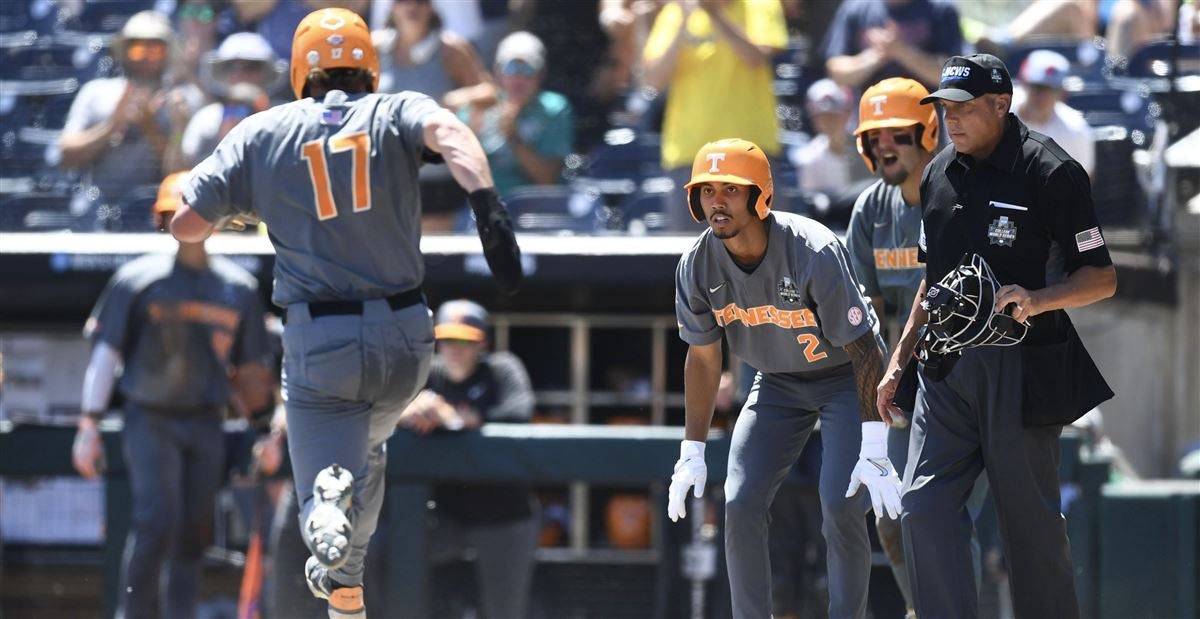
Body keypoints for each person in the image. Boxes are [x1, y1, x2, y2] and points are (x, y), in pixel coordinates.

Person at [168, 8, 523, 618]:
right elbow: (454, 134)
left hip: (321, 340)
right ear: (369, 66)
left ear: (302, 69)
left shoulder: (263, 129)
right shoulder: (397, 108)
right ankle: (346, 597)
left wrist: (254, 205)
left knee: (324, 484)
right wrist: (487, 208)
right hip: (407, 339)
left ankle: (323, 507)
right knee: (372, 451)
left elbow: (184, 224)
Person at [877, 53, 1117, 618]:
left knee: (1029, 532)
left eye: (963, 108)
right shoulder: (937, 172)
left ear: (1001, 105)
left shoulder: (1050, 171)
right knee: (921, 508)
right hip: (946, 369)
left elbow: (1101, 278)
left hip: (1022, 365)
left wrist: (1039, 299)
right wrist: (897, 363)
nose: (951, 120)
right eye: (944, 109)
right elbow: (930, 282)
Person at [666, 137, 901, 619]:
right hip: (775, 383)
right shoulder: (696, 264)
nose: (717, 201)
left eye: (731, 189)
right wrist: (691, 450)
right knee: (741, 499)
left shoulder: (812, 248)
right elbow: (705, 358)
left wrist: (876, 445)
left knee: (840, 502)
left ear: (760, 196)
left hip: (842, 379)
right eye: (707, 190)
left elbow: (866, 349)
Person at [71, 171, 272, 619]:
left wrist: (263, 430)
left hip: (206, 421)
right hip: (150, 418)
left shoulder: (237, 288)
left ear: (215, 219)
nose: (184, 220)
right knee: (155, 522)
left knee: (193, 533)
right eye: (173, 213)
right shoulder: (137, 279)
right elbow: (106, 353)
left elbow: (249, 373)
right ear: (160, 219)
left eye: (194, 211)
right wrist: (88, 425)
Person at [844, 76, 989, 618]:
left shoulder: (963, 191)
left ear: (929, 131)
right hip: (903, 388)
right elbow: (865, 315)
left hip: (968, 378)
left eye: (896, 134)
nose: (883, 145)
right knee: (893, 519)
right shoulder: (871, 211)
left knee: (937, 515)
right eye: (873, 136)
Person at [396, 299, 539, 619]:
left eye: (464, 340)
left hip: (504, 514)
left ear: (482, 342)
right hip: (444, 514)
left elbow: (519, 413)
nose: (454, 349)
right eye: (447, 340)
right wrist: (413, 411)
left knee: (504, 610)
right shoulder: (428, 374)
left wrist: (459, 418)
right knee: (385, 555)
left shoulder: (500, 369)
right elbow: (381, 410)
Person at [642, 0, 788, 231]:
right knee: (691, 256)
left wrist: (715, 15)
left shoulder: (761, 5)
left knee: (764, 253)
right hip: (690, 156)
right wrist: (682, 22)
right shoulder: (675, 13)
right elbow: (653, 78)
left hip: (750, 155)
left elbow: (756, 57)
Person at [58, 11, 203, 226]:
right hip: (98, 211)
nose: (145, 58)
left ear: (168, 53)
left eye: (154, 50)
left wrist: (153, 130)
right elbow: (65, 157)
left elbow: (187, 178)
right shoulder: (96, 92)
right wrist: (112, 126)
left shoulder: (184, 99)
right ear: (124, 51)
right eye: (137, 49)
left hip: (162, 215)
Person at [459, 31, 574, 199]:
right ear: (498, 73)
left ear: (541, 75)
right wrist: (472, 126)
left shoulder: (555, 109)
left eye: (527, 70)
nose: (518, 79)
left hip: (535, 206)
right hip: (484, 204)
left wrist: (513, 137)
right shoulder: (481, 106)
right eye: (511, 68)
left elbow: (548, 180)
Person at [822, 0, 963, 91]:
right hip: (870, 119)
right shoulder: (855, 8)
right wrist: (877, 55)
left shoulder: (942, 9)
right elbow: (836, 71)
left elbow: (950, 74)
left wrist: (902, 52)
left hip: (926, 120)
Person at [1012, 50, 1095, 177]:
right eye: (1038, 87)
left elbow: (1082, 183)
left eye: (1052, 89)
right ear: (1023, 83)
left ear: (1063, 93)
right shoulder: (997, 112)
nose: (1043, 96)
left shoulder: (1075, 130)